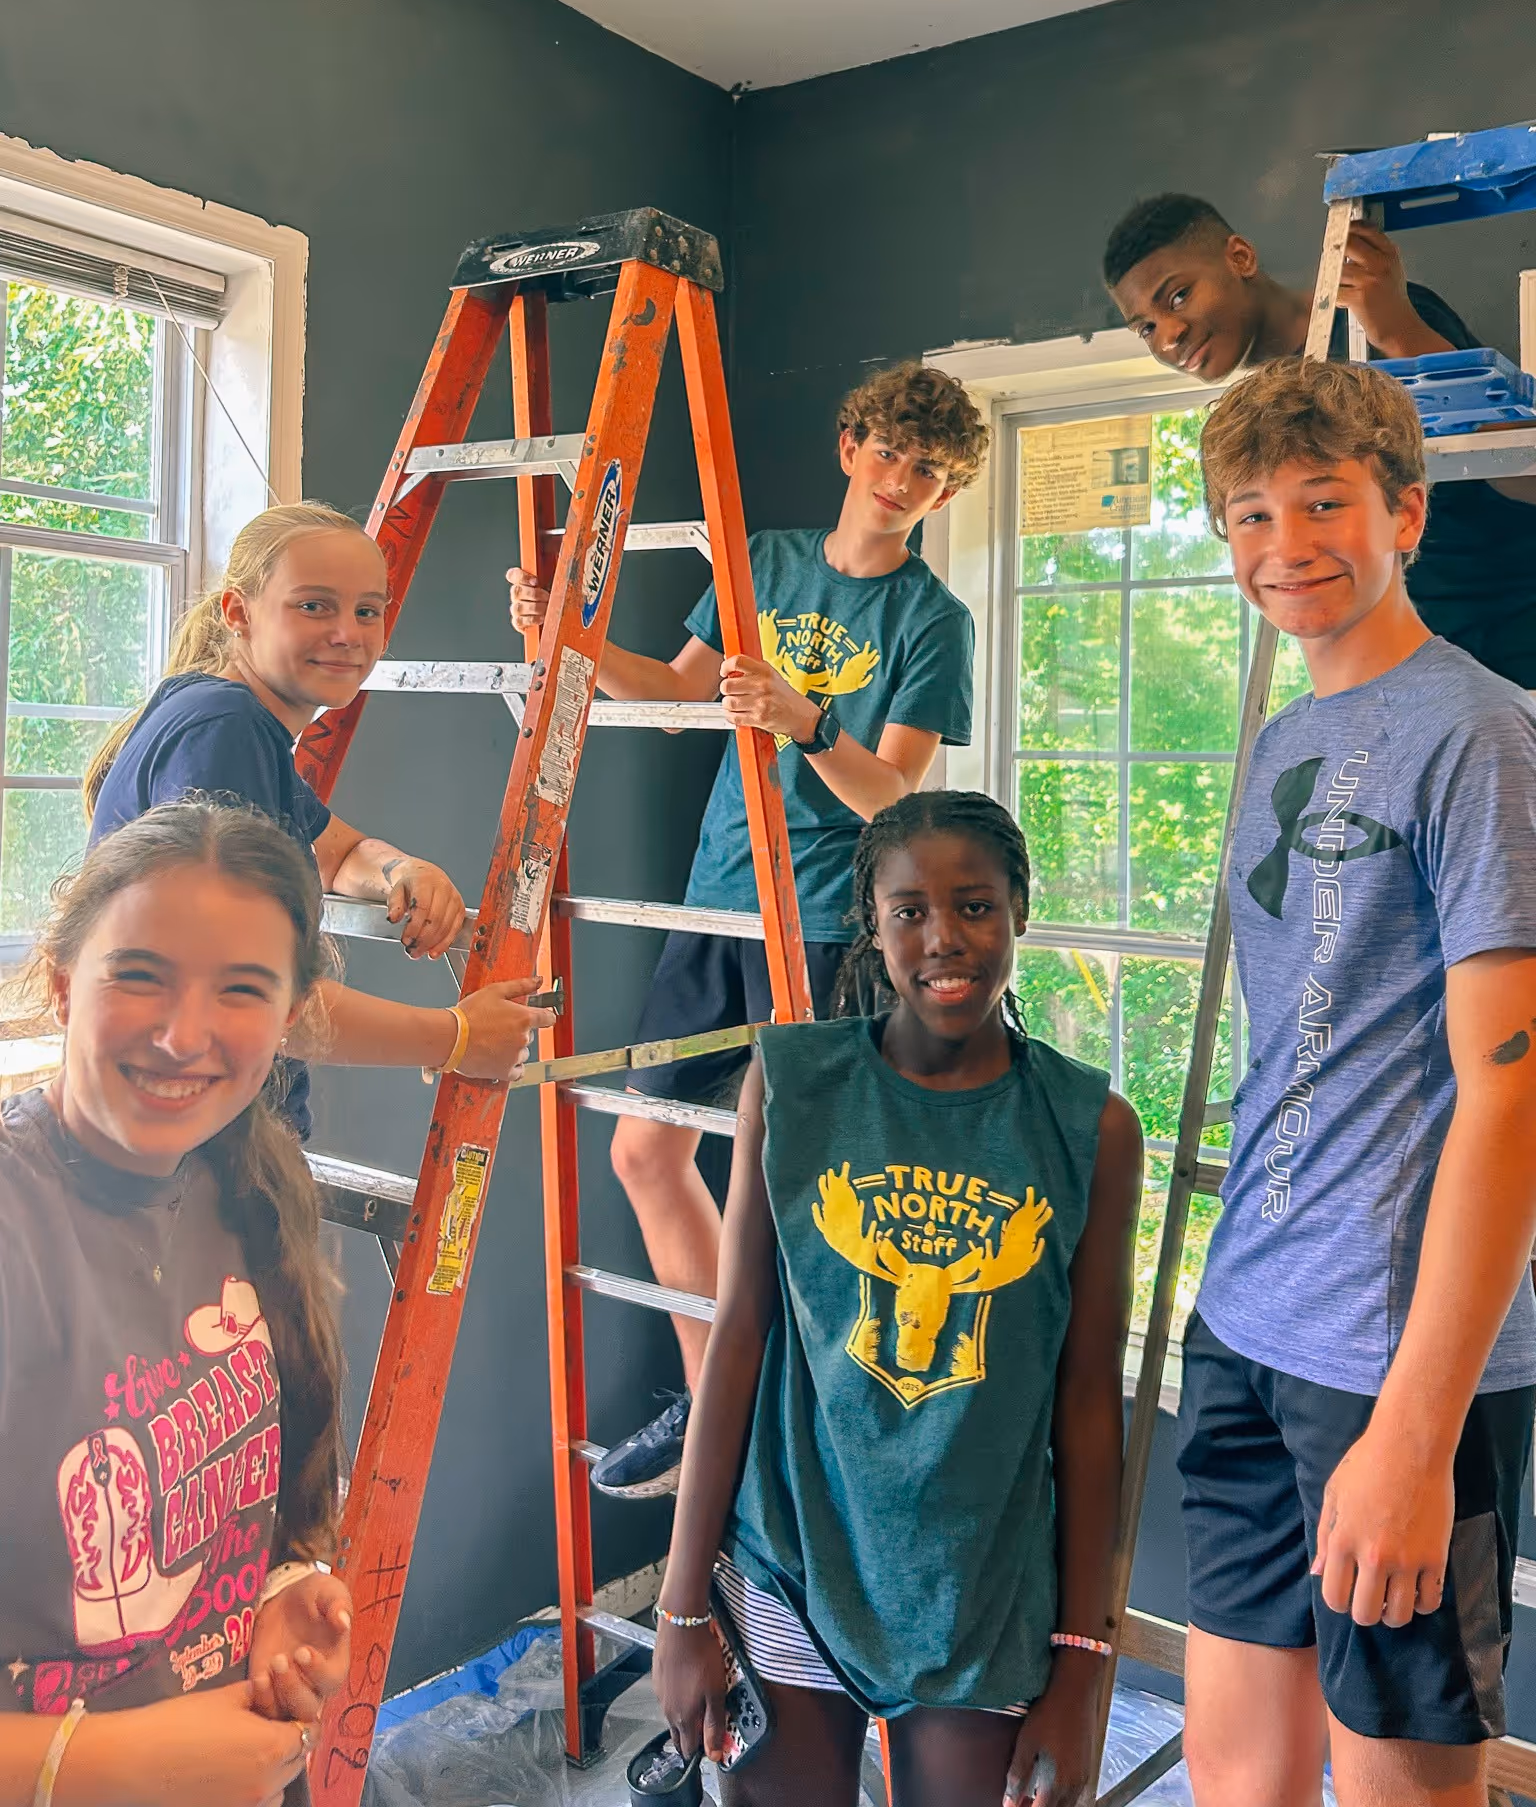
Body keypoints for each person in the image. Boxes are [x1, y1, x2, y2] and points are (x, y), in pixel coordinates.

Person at [508, 362, 988, 1497]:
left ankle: (817, 1417)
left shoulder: (932, 619)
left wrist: (806, 717)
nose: (901, 477)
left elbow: (899, 800)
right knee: (644, 1145)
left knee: (806, 1189)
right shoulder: (761, 560)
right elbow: (673, 698)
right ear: (849, 446)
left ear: (944, 491)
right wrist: (567, 640)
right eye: (888, 451)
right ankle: (712, 1392)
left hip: (831, 924)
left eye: (928, 469)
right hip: (715, 898)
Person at [1178, 357, 1536, 1807]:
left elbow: (1510, 1099)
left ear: (1407, 512)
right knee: (1238, 1778)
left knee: (1399, 1785)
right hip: (1249, 1315)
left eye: (1324, 503)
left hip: (1387, 1367)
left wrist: (1416, 1433)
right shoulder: (1287, 736)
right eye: (1251, 515)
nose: (1286, 547)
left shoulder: (1482, 734)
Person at [650, 791, 1142, 1807]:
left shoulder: (1088, 1123)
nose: (943, 937)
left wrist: (1085, 1658)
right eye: (910, 910)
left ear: (1018, 912)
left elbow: (1088, 1396)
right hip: (790, 1559)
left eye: (974, 905)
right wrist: (682, 1606)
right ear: (872, 925)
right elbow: (736, 1338)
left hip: (980, 1585)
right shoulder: (792, 1085)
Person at [0, 799, 358, 1806]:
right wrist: (110, 1765)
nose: (182, 1032)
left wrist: (281, 1594)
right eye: (140, 974)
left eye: (241, 989)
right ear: (66, 983)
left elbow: (260, 1507)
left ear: (288, 1018)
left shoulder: (250, 1182)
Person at [85, 501, 555, 1138]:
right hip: (183, 1143)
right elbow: (247, 993)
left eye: (368, 610)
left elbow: (333, 851)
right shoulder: (227, 728)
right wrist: (458, 1036)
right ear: (238, 612)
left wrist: (398, 867)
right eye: (314, 606)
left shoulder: (222, 716)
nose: (348, 633)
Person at [1102, 191, 1536, 688]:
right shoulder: (1261, 415)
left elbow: (1524, 473)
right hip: (1417, 673)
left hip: (1515, 638)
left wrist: (1395, 328)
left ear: (1240, 257)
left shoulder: (1372, 321)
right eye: (1146, 329)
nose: (1168, 336)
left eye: (1178, 296)